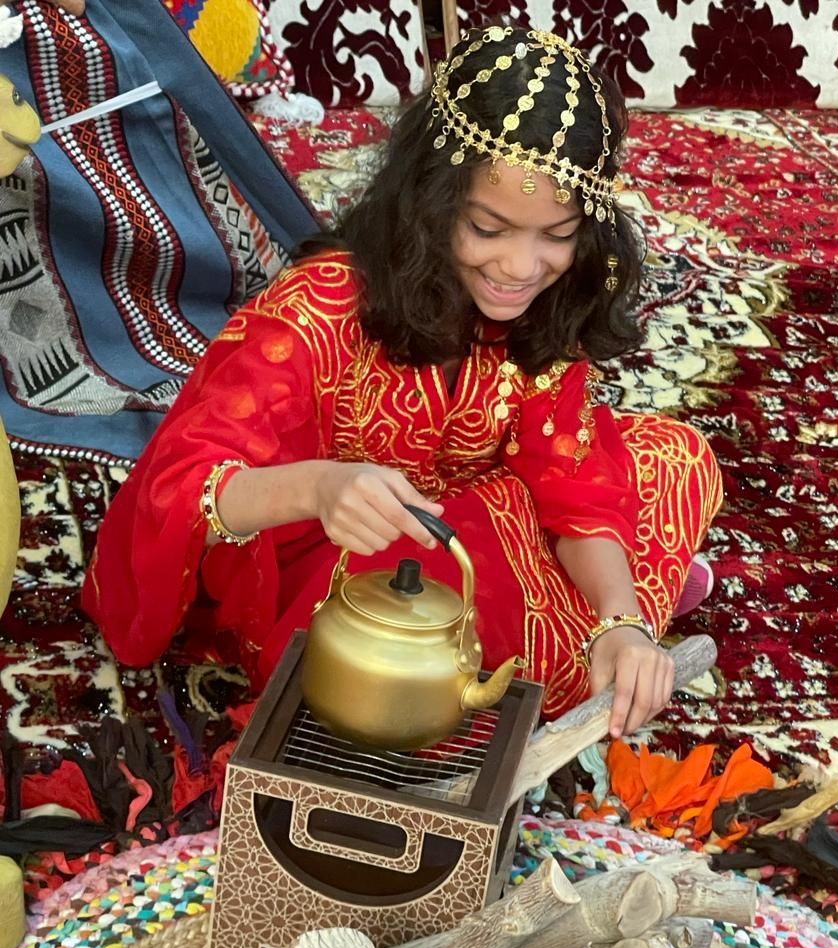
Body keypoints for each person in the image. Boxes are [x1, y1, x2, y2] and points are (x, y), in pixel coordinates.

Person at [83, 26, 722, 738]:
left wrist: (622, 621)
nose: (520, 266)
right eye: (489, 228)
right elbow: (179, 486)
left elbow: (569, 475)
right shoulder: (316, 310)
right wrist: (320, 487)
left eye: (557, 234)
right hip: (347, 581)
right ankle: (565, 643)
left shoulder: (541, 307)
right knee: (445, 565)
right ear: (433, 199)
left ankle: (605, 627)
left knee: (674, 456)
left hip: (478, 539)